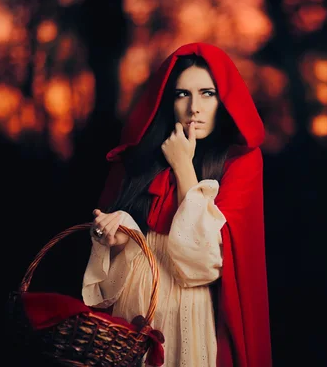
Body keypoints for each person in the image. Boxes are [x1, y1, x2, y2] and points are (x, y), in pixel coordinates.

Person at [81, 42, 272, 367]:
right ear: (168, 101)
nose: (194, 107)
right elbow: (107, 280)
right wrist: (117, 236)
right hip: (132, 313)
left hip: (191, 314)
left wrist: (184, 166)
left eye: (207, 93)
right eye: (183, 94)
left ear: (222, 100)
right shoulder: (136, 160)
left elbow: (204, 263)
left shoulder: (239, 162)